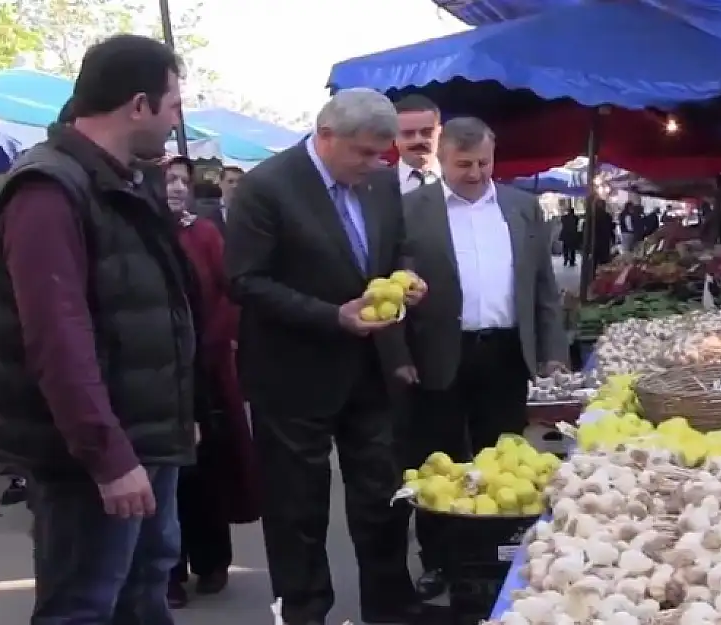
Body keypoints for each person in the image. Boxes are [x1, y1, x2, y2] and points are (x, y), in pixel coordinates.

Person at [0, 35, 194, 624]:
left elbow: (152, 309)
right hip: (93, 457)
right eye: (174, 106)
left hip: (144, 438)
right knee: (83, 605)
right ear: (139, 104)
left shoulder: (118, 180)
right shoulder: (48, 189)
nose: (177, 123)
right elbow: (57, 338)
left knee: (143, 592)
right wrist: (108, 457)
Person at [225, 87, 426, 625]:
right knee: (297, 509)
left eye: (382, 154)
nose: (374, 164)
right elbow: (244, 281)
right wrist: (331, 315)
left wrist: (405, 277)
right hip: (292, 374)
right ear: (326, 135)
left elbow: (397, 247)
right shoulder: (266, 187)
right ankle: (306, 611)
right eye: (363, 152)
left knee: (382, 495)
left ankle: (391, 606)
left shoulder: (381, 185)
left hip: (370, 369)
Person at [400, 116, 568, 599]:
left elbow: (543, 289)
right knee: (438, 463)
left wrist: (553, 353)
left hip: (506, 354)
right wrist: (397, 355)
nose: (475, 173)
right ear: (442, 158)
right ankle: (438, 561)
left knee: (505, 462)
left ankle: (499, 554)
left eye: (483, 163)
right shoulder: (412, 210)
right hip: (438, 355)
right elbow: (388, 285)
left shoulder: (522, 208)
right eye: (463, 164)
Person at [160, 157, 259, 608]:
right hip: (157, 374)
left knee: (208, 471)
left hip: (207, 374)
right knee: (168, 477)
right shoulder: (139, 232)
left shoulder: (202, 233)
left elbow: (230, 292)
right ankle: (169, 572)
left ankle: (213, 560)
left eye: (183, 179)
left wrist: (211, 343)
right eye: (168, 179)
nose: (177, 187)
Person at [394, 94, 441, 193]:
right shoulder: (374, 185)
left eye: (427, 132)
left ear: (439, 133)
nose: (418, 140)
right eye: (408, 133)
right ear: (394, 137)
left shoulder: (460, 180)